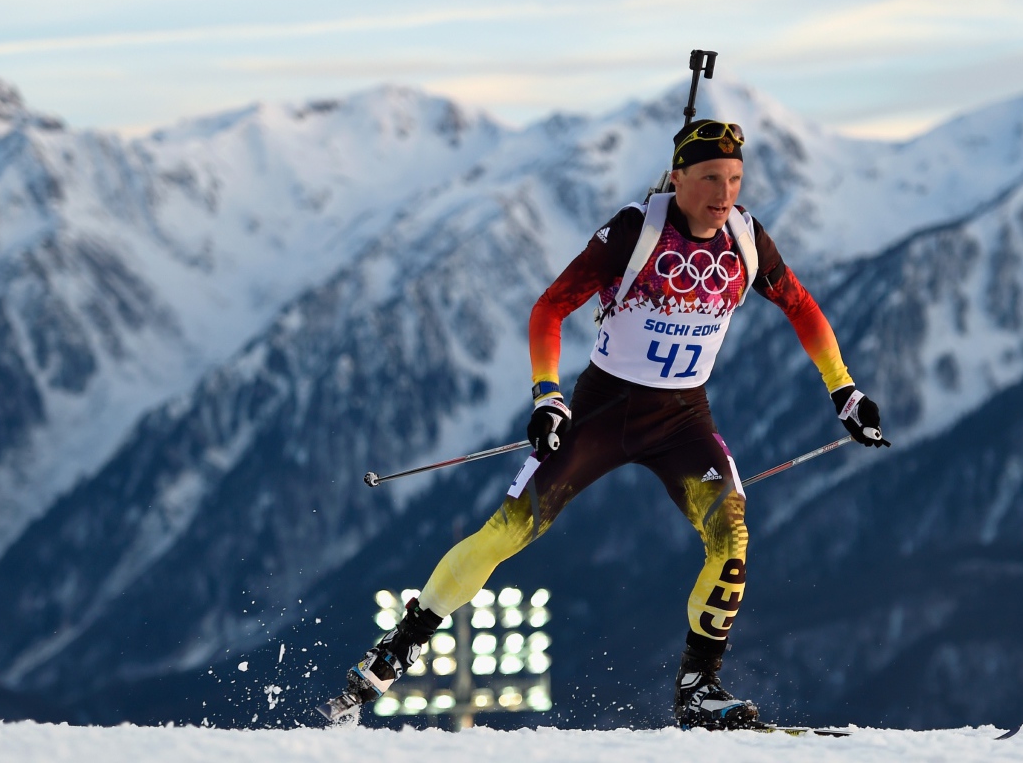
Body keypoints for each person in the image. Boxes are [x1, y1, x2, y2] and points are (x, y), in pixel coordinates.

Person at [339, 119, 888, 729]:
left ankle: (699, 689)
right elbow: (551, 307)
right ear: (676, 178)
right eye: (709, 178)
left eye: (734, 179)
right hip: (604, 411)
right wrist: (548, 396)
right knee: (506, 534)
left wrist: (845, 391)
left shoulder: (745, 238)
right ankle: (404, 641)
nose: (724, 192)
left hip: (683, 418)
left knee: (731, 536)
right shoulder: (635, 230)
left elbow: (800, 305)